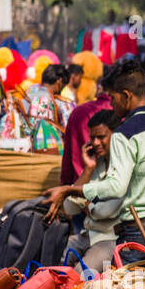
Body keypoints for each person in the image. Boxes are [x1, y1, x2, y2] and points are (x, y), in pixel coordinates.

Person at [43, 60, 145, 273]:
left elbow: (116, 187)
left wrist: (73, 189)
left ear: (126, 95)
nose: (111, 105)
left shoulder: (124, 134)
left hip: (138, 234)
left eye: (113, 98)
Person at [54, 109, 123, 273]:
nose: (96, 142)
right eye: (92, 137)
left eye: (101, 137)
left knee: (80, 274)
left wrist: (87, 205)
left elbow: (104, 211)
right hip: (87, 235)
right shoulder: (96, 166)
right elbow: (70, 207)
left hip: (110, 239)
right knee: (54, 268)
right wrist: (87, 169)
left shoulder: (122, 168)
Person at [61, 66, 113, 185]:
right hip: (106, 188)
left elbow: (67, 161)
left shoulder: (78, 112)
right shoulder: (122, 112)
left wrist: (65, 186)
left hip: (80, 184)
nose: (95, 143)